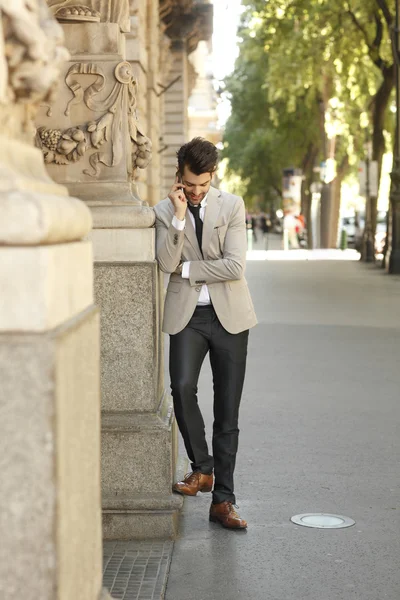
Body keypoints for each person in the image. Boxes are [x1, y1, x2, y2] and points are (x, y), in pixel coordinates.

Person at [154, 137, 257, 530]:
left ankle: (224, 501)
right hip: (187, 317)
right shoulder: (165, 211)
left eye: (203, 184)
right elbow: (165, 261)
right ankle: (203, 468)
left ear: (213, 176)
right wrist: (180, 219)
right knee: (181, 387)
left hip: (230, 316)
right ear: (179, 177)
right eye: (190, 184)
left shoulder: (231, 205)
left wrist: (188, 269)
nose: (196, 192)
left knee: (227, 410)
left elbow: (234, 267)